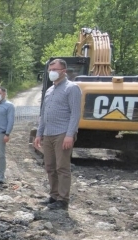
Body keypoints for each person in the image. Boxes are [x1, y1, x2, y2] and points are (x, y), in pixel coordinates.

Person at [33, 58, 82, 210]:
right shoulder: (49, 90)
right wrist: (39, 133)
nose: (51, 72)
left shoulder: (71, 88)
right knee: (50, 166)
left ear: (63, 71)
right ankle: (54, 196)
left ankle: (63, 199)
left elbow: (75, 114)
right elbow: (44, 113)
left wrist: (70, 134)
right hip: (48, 134)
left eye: (55, 69)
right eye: (50, 69)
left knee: (62, 167)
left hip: (62, 133)